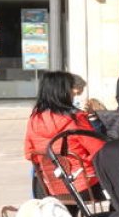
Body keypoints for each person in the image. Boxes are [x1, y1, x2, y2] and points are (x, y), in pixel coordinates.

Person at [24, 71, 105, 200]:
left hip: (48, 186)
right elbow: (100, 150)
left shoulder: (34, 119)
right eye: (70, 88)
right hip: (81, 186)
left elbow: (29, 154)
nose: (73, 93)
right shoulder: (76, 119)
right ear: (63, 91)